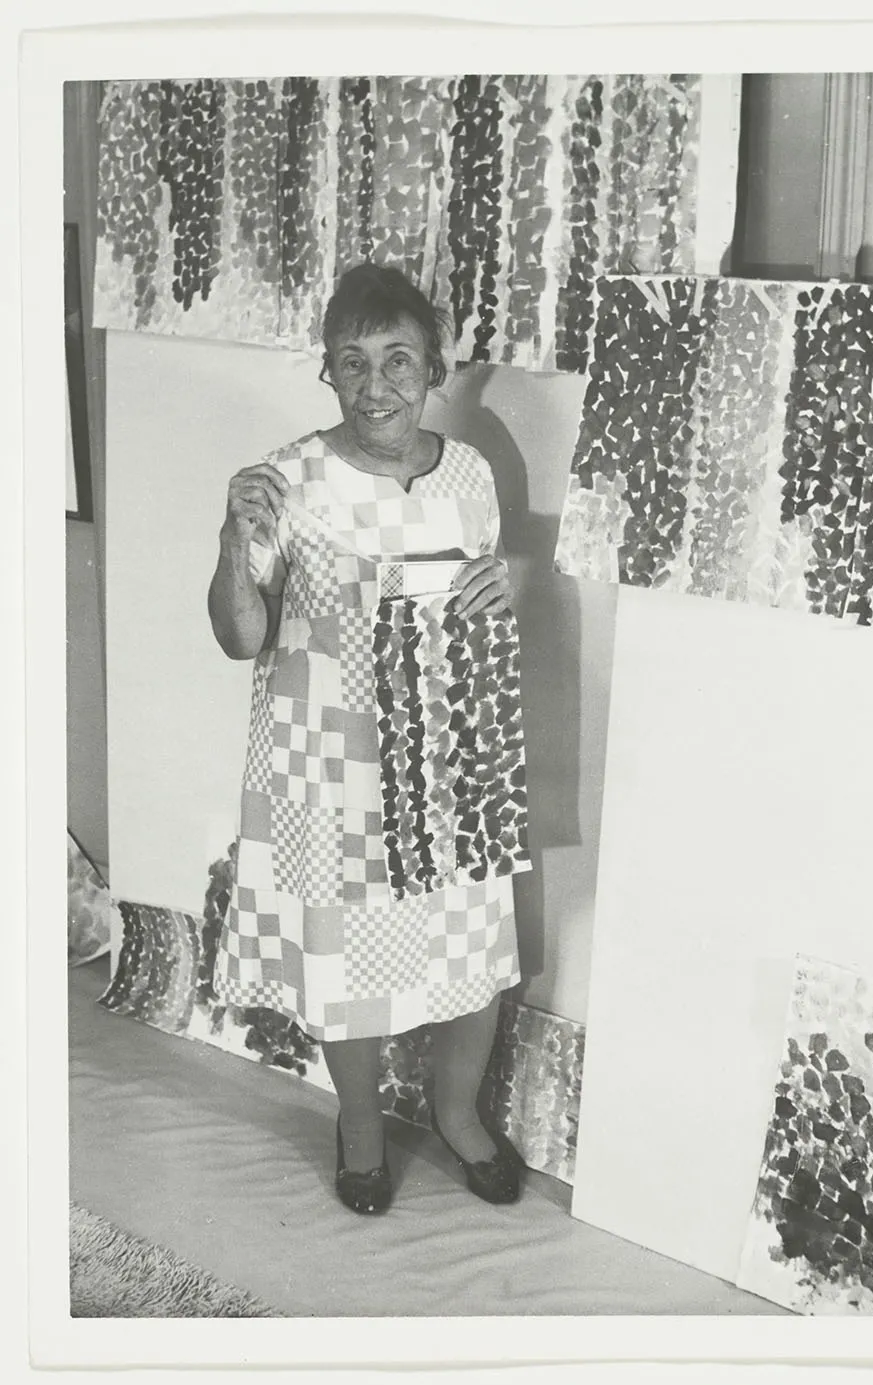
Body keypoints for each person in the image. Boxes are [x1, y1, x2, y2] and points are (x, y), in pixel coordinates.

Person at [207, 263, 524, 1215]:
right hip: (329, 767)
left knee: (471, 945)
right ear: (328, 375)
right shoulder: (288, 478)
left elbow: (477, 596)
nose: (375, 383)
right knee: (345, 959)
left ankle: (459, 1113)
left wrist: (500, 589)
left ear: (436, 365)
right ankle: (358, 1124)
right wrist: (232, 546)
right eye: (353, 362)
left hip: (452, 757)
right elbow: (240, 637)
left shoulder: (469, 473)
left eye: (397, 359)